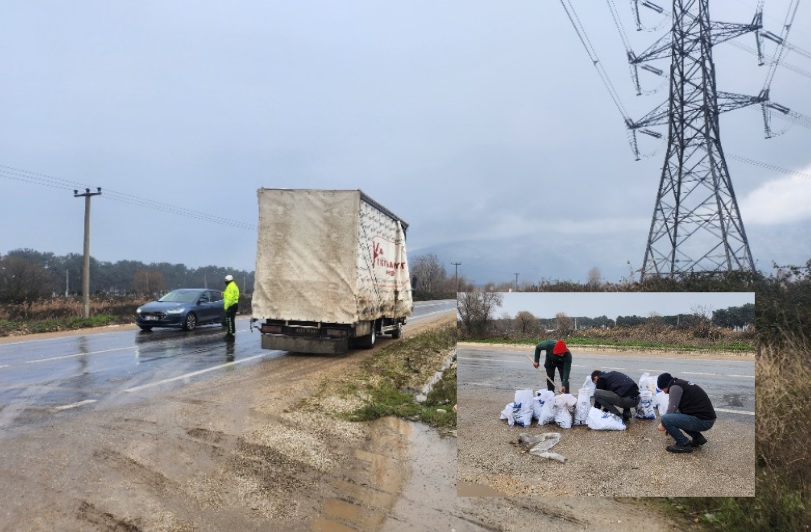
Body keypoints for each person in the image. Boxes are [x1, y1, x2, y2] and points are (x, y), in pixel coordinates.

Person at [656, 372, 716, 453]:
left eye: (663, 389)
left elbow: (671, 409)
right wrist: (670, 426)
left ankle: (683, 444)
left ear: (666, 385)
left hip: (704, 421)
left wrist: (663, 424)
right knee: (674, 417)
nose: (664, 392)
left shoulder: (674, 388)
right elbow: (677, 412)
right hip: (706, 418)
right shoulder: (679, 383)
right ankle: (698, 438)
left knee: (665, 419)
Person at [223, 274, 240, 339]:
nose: (225, 282)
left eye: (226, 280)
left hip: (231, 305)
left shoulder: (230, 287)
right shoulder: (234, 285)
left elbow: (229, 298)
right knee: (232, 319)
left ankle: (230, 334)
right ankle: (232, 331)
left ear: (229, 280)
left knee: (229, 319)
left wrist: (226, 307)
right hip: (235, 304)